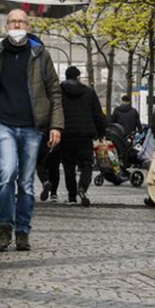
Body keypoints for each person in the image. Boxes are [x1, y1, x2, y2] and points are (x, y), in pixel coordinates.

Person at [0, 9, 63, 253]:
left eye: (21, 22)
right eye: (13, 21)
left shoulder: (40, 53)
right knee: (7, 175)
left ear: (28, 25)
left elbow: (54, 91)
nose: (17, 25)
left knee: (26, 183)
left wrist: (56, 125)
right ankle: (5, 227)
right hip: (4, 123)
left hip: (33, 126)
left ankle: (22, 231)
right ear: (6, 26)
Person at [55, 66, 106, 206]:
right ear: (78, 77)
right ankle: (82, 187)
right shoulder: (89, 92)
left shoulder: (59, 92)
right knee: (86, 164)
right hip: (85, 135)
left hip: (65, 135)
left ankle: (72, 197)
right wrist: (101, 133)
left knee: (68, 166)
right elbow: (98, 115)